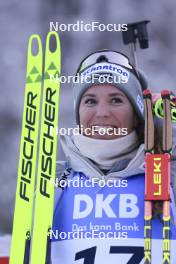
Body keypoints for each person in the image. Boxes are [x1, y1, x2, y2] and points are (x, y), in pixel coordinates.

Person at [50, 50, 176, 263]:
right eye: (90, 101)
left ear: (137, 115)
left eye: (116, 100)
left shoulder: (167, 175)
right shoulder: (55, 181)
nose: (102, 113)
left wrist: (168, 129)